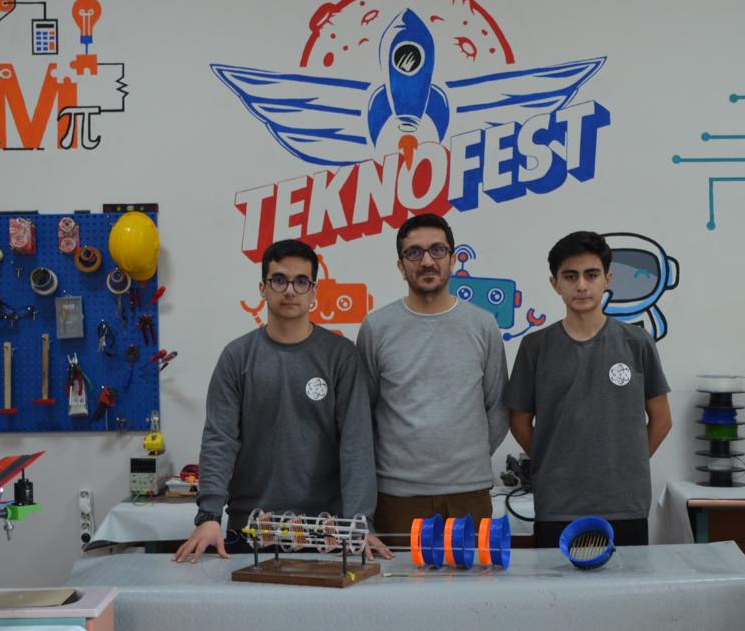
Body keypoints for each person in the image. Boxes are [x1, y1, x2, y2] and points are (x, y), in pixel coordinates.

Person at [174, 239, 391, 563]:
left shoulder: (341, 357)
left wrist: (360, 523)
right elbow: (219, 440)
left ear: (314, 292)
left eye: (301, 281)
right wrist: (209, 516)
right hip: (251, 529)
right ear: (262, 288)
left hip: (326, 532)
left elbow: (356, 444)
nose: (290, 290)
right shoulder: (237, 357)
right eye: (279, 280)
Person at [505, 231, 672, 548]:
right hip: (558, 503)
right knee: (556, 580)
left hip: (625, 502)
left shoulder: (637, 342)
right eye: (570, 276)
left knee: (627, 579)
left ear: (607, 279)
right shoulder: (535, 347)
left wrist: (627, 463)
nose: (581, 285)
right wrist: (553, 462)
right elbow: (519, 421)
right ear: (555, 284)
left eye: (591, 275)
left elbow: (662, 420)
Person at [356, 213, 509, 542]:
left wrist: (466, 457)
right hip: (398, 496)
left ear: (453, 260)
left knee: (473, 576)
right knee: (399, 576)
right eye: (414, 253)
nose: (427, 261)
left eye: (438, 250)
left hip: (469, 492)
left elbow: (498, 406)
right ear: (401, 266)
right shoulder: (376, 327)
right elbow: (363, 412)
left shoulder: (483, 325)